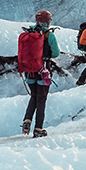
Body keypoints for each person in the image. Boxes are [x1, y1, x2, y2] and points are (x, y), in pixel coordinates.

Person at [22, 9, 59, 138]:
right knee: (41, 100)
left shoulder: (29, 32)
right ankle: (38, 128)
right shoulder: (49, 35)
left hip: (29, 72)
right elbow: (56, 53)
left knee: (34, 96)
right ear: (47, 22)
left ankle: (27, 120)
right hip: (43, 71)